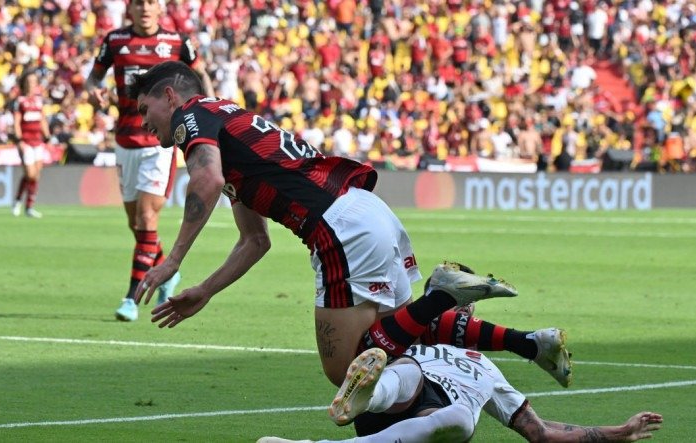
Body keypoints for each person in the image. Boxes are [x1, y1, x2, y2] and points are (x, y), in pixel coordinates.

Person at [127, 62, 569, 391]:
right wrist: (205, 289)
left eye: (145, 109)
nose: (144, 124)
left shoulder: (193, 114)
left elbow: (206, 179)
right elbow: (254, 241)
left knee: (346, 369)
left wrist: (174, 260)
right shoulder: (230, 126)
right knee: (397, 337)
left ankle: (441, 295)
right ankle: (530, 343)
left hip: (337, 227)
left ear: (169, 95)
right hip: (365, 210)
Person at [85, 0, 215, 321]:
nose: (145, 8)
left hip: (161, 141)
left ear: (160, 9)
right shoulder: (115, 41)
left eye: (151, 3)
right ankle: (167, 274)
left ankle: (131, 297)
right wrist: (93, 91)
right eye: (139, 3)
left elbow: (201, 76)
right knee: (137, 224)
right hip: (125, 139)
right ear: (129, 9)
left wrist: (209, 109)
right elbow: (93, 79)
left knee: (146, 218)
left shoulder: (177, 43)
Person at [257, 346, 663, 443]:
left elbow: (541, 433)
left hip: (427, 409)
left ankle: (370, 396)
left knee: (447, 410)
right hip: (412, 398)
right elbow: (541, 433)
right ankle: (369, 393)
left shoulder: (480, 364)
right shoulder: (429, 338)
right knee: (407, 375)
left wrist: (618, 432)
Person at [11, 70, 50, 219]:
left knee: (35, 175)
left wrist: (47, 135)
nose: (31, 85)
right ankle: (17, 201)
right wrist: (19, 139)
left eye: (34, 82)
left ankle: (29, 207)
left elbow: (42, 119)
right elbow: (16, 122)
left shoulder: (39, 100)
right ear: (24, 83)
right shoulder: (19, 101)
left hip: (38, 141)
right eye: (29, 82)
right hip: (26, 142)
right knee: (30, 174)